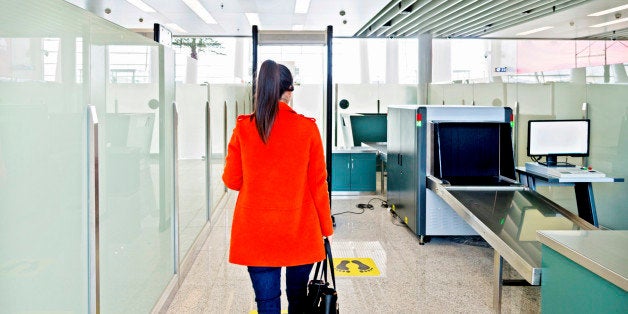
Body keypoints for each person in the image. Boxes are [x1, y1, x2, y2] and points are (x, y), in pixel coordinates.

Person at [222, 60, 334, 313]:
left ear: (259, 91)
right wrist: (325, 228)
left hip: (257, 232)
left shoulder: (244, 127)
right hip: (300, 230)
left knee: (267, 302)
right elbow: (318, 184)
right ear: (289, 91)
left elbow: (232, 180)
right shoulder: (307, 128)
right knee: (297, 299)